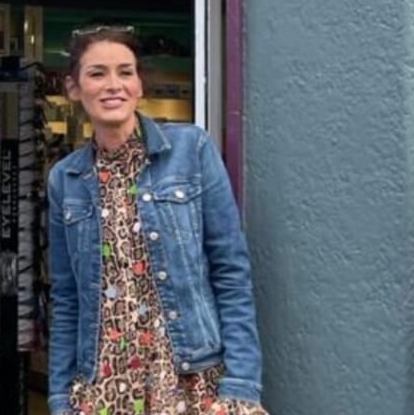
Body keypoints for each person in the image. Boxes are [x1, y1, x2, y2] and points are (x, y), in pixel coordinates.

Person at [46, 26, 270, 415]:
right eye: (97, 73)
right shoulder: (65, 180)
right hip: (104, 386)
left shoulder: (191, 150)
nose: (113, 85)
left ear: (139, 85)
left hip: (188, 378)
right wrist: (61, 398)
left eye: (125, 72)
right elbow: (67, 299)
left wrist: (241, 385)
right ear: (74, 88)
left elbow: (230, 272)